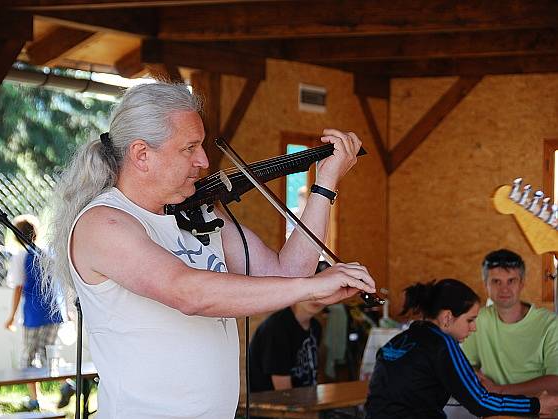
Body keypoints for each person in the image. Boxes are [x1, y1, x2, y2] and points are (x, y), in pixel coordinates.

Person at [40, 82, 376, 418]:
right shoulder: (104, 224)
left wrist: (325, 183)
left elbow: (287, 274)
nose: (203, 160)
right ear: (142, 155)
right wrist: (314, 286)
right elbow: (187, 292)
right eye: (189, 148)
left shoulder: (197, 213)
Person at [364, 278, 558, 419]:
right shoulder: (442, 342)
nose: (474, 327)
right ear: (447, 317)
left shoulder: (400, 340)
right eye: (470, 320)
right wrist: (537, 405)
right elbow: (481, 403)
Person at [462, 249, 558, 396]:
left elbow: (555, 383)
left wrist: (499, 390)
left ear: (522, 284)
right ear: (485, 285)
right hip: (496, 411)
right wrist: (477, 377)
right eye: (496, 281)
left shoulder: (550, 324)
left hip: (542, 412)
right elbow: (466, 364)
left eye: (511, 281)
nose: (504, 289)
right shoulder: (478, 319)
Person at [4, 215, 72, 411]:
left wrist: (11, 317)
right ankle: (65, 384)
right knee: (48, 352)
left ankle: (34, 399)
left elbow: (18, 288)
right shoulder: (48, 253)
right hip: (53, 311)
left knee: (28, 356)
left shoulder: (20, 257)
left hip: (34, 314)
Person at [249, 261, 331, 392]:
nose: (317, 297)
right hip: (272, 410)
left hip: (306, 405)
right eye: (311, 289)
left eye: (323, 291)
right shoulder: (276, 329)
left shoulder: (316, 327)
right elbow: (283, 392)